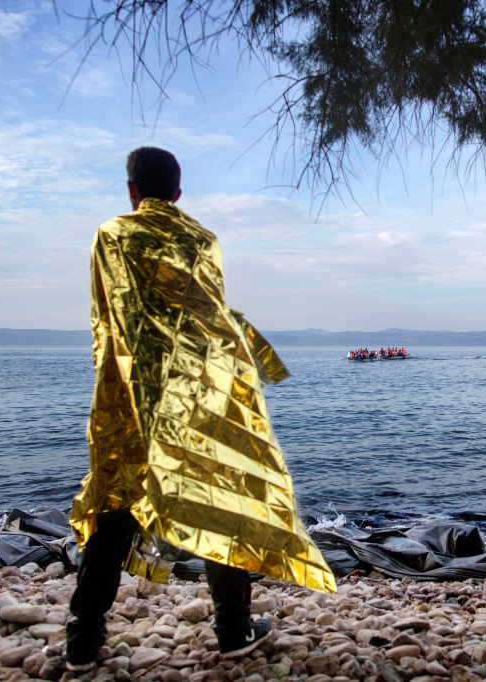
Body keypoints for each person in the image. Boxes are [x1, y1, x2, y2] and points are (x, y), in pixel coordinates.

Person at [66, 147, 335, 671]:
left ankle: (83, 640)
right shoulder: (203, 240)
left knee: (115, 498)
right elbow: (205, 320)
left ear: (131, 191)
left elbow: (107, 320)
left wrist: (116, 388)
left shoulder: (111, 235)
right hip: (196, 390)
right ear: (179, 193)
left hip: (129, 392)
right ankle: (233, 630)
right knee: (218, 497)